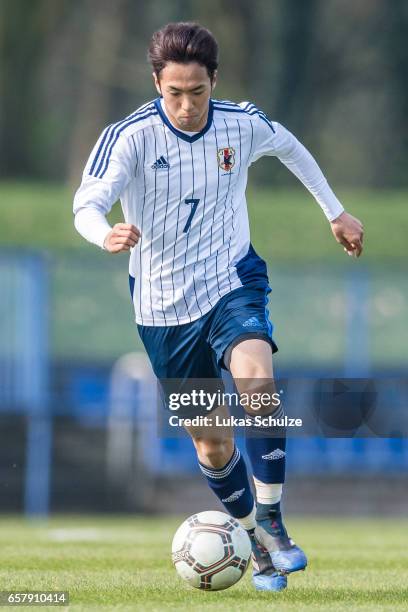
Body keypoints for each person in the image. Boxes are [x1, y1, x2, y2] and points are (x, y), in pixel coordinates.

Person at [73, 22, 364, 592]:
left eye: (197, 92)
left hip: (231, 281)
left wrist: (336, 210)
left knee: (258, 381)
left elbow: (291, 147)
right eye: (174, 93)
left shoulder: (240, 124)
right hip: (162, 310)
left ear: (214, 81)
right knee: (212, 441)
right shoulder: (128, 137)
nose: (185, 106)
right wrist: (102, 233)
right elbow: (87, 203)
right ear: (157, 83)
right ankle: (254, 541)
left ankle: (273, 513)